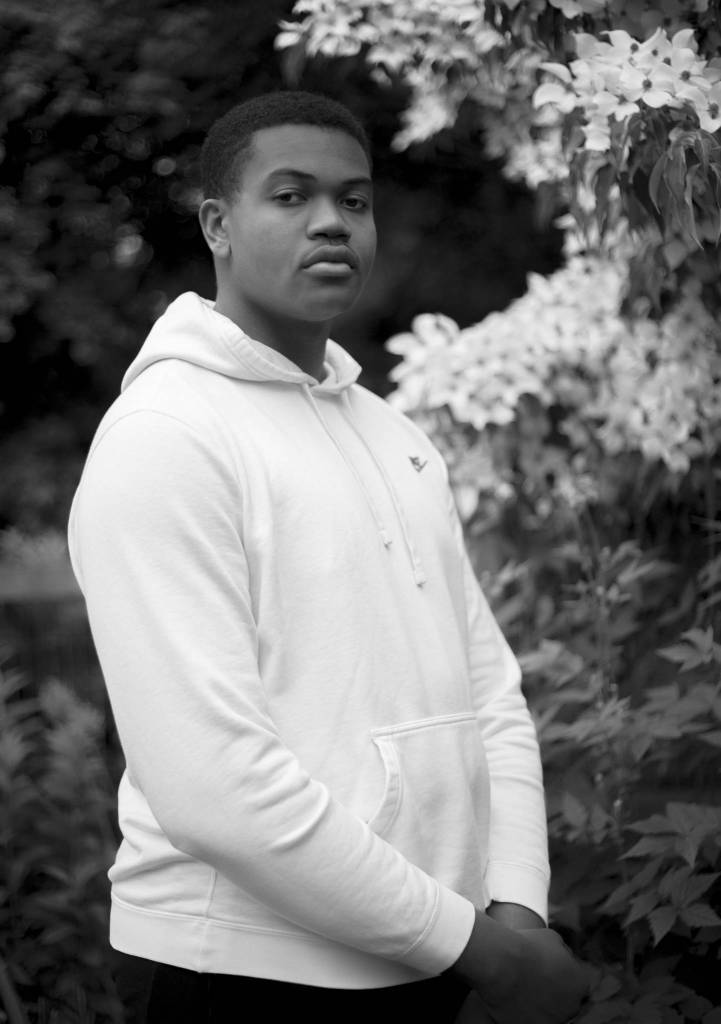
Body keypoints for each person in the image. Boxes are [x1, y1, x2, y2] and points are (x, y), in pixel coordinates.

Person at [68, 91, 590, 1023]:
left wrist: (512, 909)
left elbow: (487, 692)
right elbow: (213, 788)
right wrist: (482, 950)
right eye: (291, 195)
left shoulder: (393, 435)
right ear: (217, 225)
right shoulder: (167, 436)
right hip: (244, 969)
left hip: (434, 951)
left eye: (354, 200)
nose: (331, 222)